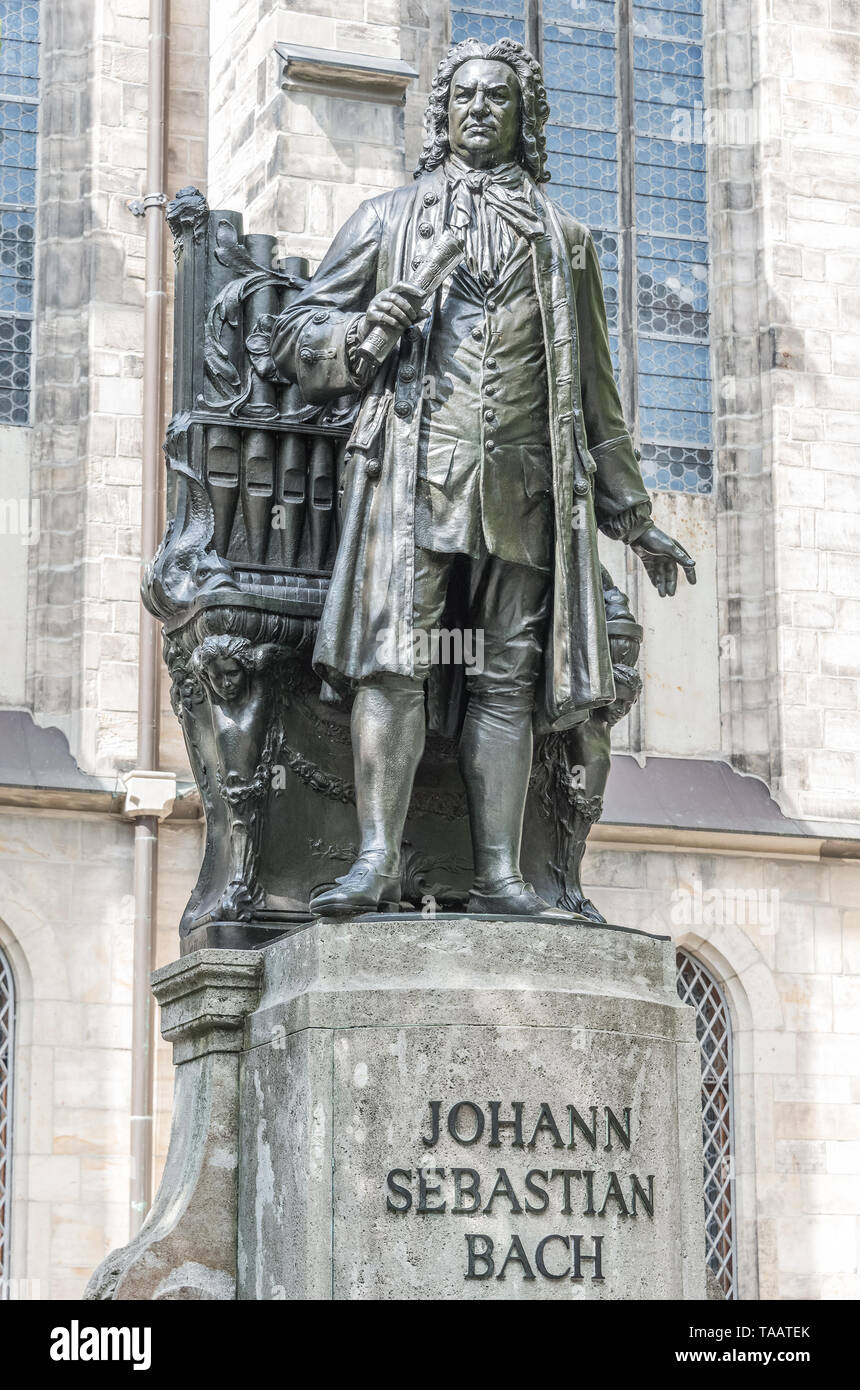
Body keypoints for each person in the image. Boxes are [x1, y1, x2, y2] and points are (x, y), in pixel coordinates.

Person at [271, 38, 695, 918]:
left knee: (506, 678)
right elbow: (297, 332)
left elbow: (597, 396)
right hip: (411, 481)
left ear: (523, 118)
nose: (477, 109)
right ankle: (377, 861)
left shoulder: (564, 241)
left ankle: (502, 875)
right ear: (442, 114)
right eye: (462, 95)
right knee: (400, 663)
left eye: (496, 97)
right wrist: (364, 331)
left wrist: (635, 516)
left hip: (526, 492)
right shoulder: (388, 220)